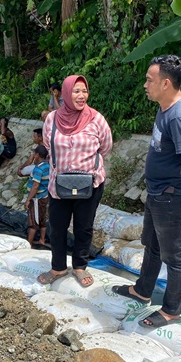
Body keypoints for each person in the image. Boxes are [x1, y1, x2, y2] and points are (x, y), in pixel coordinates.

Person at [111, 55, 181, 328]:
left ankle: (171, 311)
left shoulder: (179, 116)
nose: (145, 84)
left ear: (166, 83)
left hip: (171, 196)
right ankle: (142, 291)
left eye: (149, 80)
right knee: (151, 245)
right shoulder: (165, 107)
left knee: (174, 257)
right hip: (158, 192)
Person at [37, 75, 113, 288]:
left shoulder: (96, 119)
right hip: (58, 183)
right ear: (65, 93)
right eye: (76, 91)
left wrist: (84, 166)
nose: (81, 96)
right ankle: (58, 267)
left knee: (83, 226)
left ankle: (79, 266)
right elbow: (48, 144)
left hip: (90, 182)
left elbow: (105, 146)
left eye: (84, 91)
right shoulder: (52, 119)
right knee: (57, 226)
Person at [24, 145, 50, 247]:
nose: (33, 156)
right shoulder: (47, 166)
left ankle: (28, 244)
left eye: (34, 154)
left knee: (33, 222)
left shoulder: (38, 168)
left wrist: (28, 200)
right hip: (44, 196)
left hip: (37, 198)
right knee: (42, 219)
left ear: (38, 155)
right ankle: (42, 239)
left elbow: (35, 185)